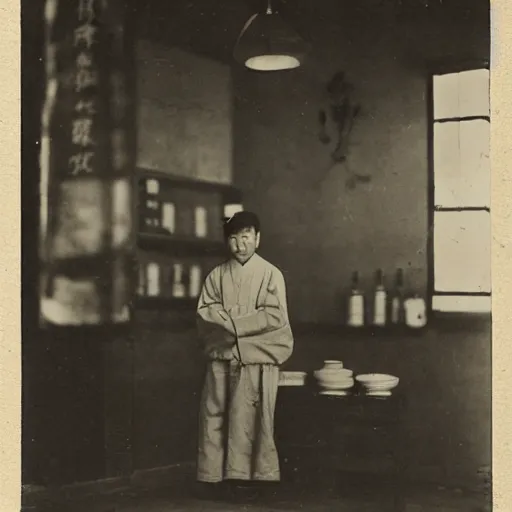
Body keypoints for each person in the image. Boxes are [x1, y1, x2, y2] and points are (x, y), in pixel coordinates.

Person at [195, 211, 294, 496]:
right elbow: (206, 312)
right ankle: (212, 478)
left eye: (246, 237)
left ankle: (251, 480)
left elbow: (274, 316)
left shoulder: (270, 274)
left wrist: (233, 325)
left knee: (250, 418)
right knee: (214, 413)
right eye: (234, 238)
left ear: (258, 239)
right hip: (221, 357)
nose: (240, 245)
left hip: (257, 360)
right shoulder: (216, 275)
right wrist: (231, 328)